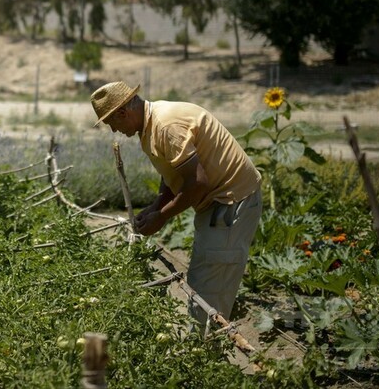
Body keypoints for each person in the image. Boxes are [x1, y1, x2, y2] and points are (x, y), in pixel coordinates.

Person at [90, 81, 262, 327]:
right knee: (203, 279)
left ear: (122, 112)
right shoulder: (150, 126)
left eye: (111, 123)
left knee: (210, 288)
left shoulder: (166, 125)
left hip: (231, 201)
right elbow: (172, 171)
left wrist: (162, 216)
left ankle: (207, 355)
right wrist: (157, 205)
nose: (113, 130)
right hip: (215, 203)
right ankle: (202, 348)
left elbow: (198, 183)